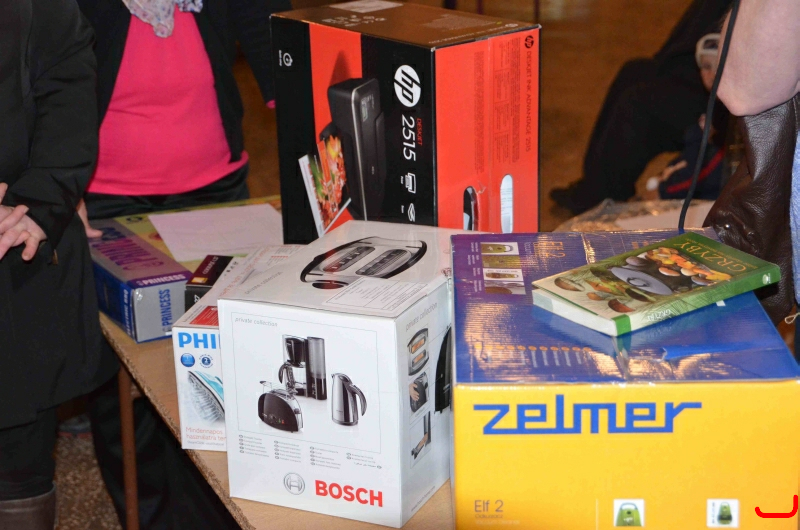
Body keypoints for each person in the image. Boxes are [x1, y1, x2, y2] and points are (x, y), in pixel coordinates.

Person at [75, 0, 290, 527]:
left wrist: (306, 113)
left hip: (215, 191)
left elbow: (269, 32)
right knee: (122, 379)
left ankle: (214, 509)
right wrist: (55, 183)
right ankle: (152, 516)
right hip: (106, 202)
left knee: (220, 369)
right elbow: (44, 73)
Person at [0, 0, 117, 528]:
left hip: (19, 250)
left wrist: (35, 208)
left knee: (20, 460)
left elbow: (68, 112)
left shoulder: (47, 9)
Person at [550, 0, 733, 214]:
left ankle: (601, 197)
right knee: (634, 72)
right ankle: (595, 185)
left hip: (729, 91)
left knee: (638, 103)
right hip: (708, 60)